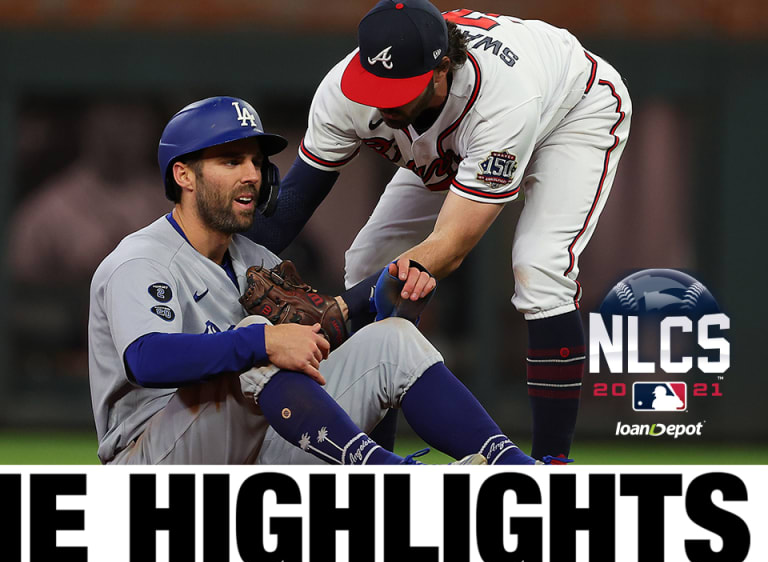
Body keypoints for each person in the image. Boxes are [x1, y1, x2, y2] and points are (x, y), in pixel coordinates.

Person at [246, 0, 632, 461]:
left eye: (397, 88)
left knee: (540, 266)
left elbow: (449, 247)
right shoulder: (345, 91)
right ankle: (375, 458)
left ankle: (550, 468)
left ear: (441, 70)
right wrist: (219, 265)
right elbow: (291, 207)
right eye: (374, 84)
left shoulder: (502, 100)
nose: (381, 99)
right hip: (458, 142)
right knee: (368, 261)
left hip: (571, 110)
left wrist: (341, 309)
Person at [87, 96, 542, 466]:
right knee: (256, 338)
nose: (251, 174)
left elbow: (312, 343)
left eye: (254, 161)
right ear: (183, 175)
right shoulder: (141, 260)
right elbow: (145, 359)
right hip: (150, 458)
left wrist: (381, 306)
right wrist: (262, 343)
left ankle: (514, 470)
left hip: (251, 443)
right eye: (230, 161)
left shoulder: (253, 258)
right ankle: (387, 473)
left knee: (393, 340)